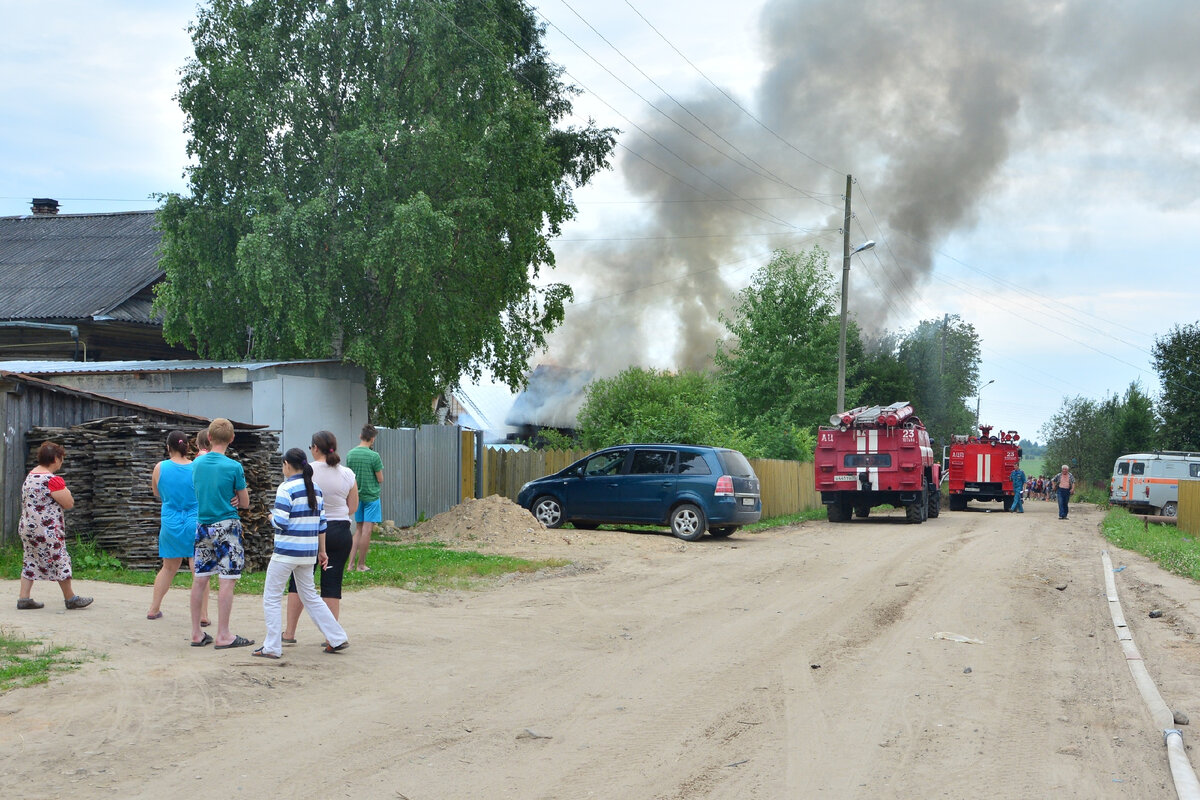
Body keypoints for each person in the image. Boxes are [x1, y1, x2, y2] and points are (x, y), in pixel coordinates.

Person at [255, 448, 349, 659]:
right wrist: (322, 552)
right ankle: (336, 637)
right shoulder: (315, 489)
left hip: (286, 552)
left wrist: (268, 516)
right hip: (308, 552)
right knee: (311, 597)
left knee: (271, 597)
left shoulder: (285, 488)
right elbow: (322, 524)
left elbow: (280, 522)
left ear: (287, 465)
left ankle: (271, 647)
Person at [282, 430, 357, 643]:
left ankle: (289, 633)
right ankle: (331, 637)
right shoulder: (347, 474)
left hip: (311, 531)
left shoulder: (307, 471)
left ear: (315, 448)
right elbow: (352, 507)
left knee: (299, 582)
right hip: (340, 532)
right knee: (332, 585)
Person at [189, 418, 254, 649]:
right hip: (227, 526)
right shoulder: (233, 466)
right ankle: (223, 634)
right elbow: (244, 502)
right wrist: (236, 498)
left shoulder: (196, 464)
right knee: (226, 580)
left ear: (208, 438)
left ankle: (197, 633)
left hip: (203, 524)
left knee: (200, 579)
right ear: (232, 438)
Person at [16, 441, 92, 610]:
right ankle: (70, 598)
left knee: (30, 559)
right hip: (47, 530)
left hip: (27, 527)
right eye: (61, 458)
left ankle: (24, 598)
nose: (61, 461)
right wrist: (68, 493)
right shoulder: (52, 480)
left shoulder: (30, 476)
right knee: (60, 559)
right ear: (56, 459)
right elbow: (68, 502)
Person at [146, 431, 200, 620]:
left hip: (170, 519)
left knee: (168, 568)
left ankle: (154, 608)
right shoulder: (196, 468)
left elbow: (156, 492)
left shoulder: (160, 467)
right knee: (198, 569)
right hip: (194, 518)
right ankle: (203, 615)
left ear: (168, 447)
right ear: (187, 446)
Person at [346, 424, 384, 572]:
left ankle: (350, 565)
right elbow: (380, 478)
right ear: (372, 439)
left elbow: (349, 476)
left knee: (358, 530)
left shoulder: (350, 454)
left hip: (356, 496)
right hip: (371, 496)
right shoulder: (374, 456)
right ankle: (361, 564)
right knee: (367, 531)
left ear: (360, 436)